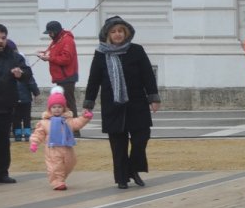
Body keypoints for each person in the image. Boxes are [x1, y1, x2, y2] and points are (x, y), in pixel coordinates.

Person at [82, 17, 161, 189]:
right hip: (113, 105)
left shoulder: (136, 50)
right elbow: (94, 80)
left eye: (120, 31)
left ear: (126, 33)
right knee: (118, 145)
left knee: (141, 138)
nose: (117, 34)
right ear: (107, 34)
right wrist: (88, 103)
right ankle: (121, 178)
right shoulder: (101, 53)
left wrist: (153, 98)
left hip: (137, 103)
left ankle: (133, 168)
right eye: (113, 31)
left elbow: (148, 75)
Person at [0, 23, 31, 186]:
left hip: (6, 104)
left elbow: (27, 72)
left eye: (3, 38)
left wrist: (20, 73)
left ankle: (2, 172)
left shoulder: (13, 56)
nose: (0, 41)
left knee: (3, 140)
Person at [29, 87, 93, 190]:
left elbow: (77, 123)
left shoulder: (67, 120)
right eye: (54, 107)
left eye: (59, 106)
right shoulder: (45, 122)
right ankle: (57, 182)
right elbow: (38, 134)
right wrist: (34, 143)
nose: (57, 109)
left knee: (70, 163)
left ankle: (61, 178)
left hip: (67, 148)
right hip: (52, 149)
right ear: (50, 109)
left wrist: (85, 117)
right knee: (55, 166)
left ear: (64, 108)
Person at [38, 20, 80, 122]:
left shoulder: (67, 40)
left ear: (56, 31)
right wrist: (44, 53)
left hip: (67, 76)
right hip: (61, 77)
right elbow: (52, 52)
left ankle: (74, 129)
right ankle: (67, 126)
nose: (49, 35)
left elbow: (66, 59)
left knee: (69, 103)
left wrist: (49, 58)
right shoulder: (57, 40)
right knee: (64, 103)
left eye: (50, 33)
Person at [12, 49, 40, 142]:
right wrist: (36, 94)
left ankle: (18, 135)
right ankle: (27, 134)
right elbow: (32, 83)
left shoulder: (10, 72)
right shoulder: (27, 72)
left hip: (15, 100)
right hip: (26, 100)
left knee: (16, 118)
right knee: (26, 117)